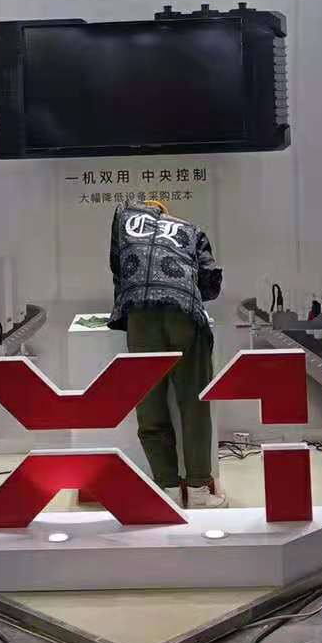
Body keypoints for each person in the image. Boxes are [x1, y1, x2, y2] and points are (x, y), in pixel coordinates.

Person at [108, 198, 225, 509]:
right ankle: (199, 492)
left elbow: (118, 270)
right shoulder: (190, 230)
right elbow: (210, 282)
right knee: (194, 404)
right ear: (166, 213)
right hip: (184, 313)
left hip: (142, 317)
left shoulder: (124, 220)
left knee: (150, 407)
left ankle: (167, 490)